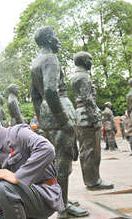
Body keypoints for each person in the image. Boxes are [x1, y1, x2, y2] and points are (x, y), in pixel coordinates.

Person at [0, 111, 64, 219]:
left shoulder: (18, 134)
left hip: (44, 196)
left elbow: (47, 149)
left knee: (3, 186)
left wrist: (18, 176)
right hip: (17, 197)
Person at [31, 26, 87, 218]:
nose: (58, 39)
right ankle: (62, 209)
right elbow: (50, 91)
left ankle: (61, 199)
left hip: (47, 114)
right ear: (48, 39)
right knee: (63, 163)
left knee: (54, 161)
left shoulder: (36, 62)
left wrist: (43, 117)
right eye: (55, 36)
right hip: (59, 110)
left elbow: (35, 97)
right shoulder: (51, 59)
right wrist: (64, 120)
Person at [72, 51, 113, 190]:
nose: (91, 62)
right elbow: (87, 99)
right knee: (91, 151)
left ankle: (91, 179)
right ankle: (93, 181)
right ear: (84, 60)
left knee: (86, 150)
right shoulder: (83, 77)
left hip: (81, 115)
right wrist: (95, 117)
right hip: (87, 116)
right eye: (90, 59)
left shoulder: (76, 76)